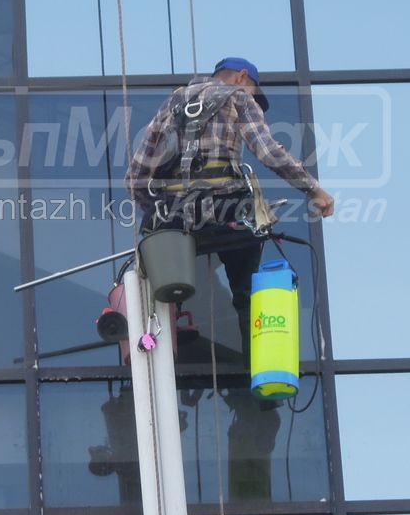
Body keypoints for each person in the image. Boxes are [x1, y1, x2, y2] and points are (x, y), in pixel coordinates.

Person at [125, 57, 334, 358]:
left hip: (173, 215)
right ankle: (257, 364)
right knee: (247, 291)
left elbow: (136, 175)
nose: (253, 98)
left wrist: (158, 212)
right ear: (241, 77)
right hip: (226, 210)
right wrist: (314, 190)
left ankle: (161, 356)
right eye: (253, 91)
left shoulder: (172, 103)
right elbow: (268, 152)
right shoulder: (239, 98)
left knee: (165, 293)